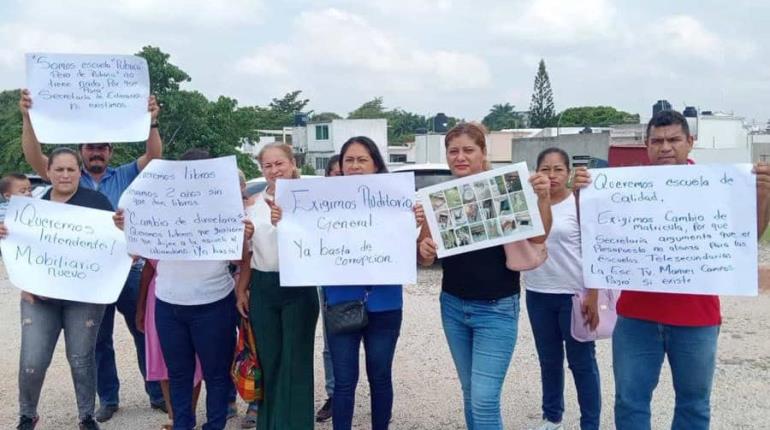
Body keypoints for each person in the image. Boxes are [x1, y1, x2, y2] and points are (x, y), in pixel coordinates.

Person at [570, 110, 770, 430]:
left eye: (674, 139)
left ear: (690, 142)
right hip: (636, 317)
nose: (665, 147)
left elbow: (744, 245)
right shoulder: (625, 188)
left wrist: (762, 195)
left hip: (697, 318)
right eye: (657, 141)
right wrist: (583, 197)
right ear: (646, 145)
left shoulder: (717, 186)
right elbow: (597, 238)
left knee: (694, 405)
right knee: (630, 402)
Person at [19, 89, 165, 421]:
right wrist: (27, 116)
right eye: (90, 147)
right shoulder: (66, 174)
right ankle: (108, 399)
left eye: (101, 147)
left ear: (110, 151)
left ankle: (156, 392)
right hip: (86, 277)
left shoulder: (127, 173)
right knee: (98, 338)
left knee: (143, 328)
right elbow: (33, 154)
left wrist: (152, 121)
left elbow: (154, 155)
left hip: (127, 269)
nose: (96, 152)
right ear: (81, 152)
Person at [417, 122, 552, 429]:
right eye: (453, 151)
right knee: (470, 393)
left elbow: (540, 237)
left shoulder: (506, 188)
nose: (460, 157)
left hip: (497, 308)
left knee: (484, 399)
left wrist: (543, 199)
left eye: (468, 150)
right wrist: (424, 249)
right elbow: (425, 257)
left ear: (483, 153)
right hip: (452, 305)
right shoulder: (439, 198)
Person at [114, 148, 252, 430]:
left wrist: (242, 243)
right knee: (179, 374)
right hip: (168, 303)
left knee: (216, 375)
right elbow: (139, 253)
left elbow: (242, 259)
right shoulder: (161, 205)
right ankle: (182, 425)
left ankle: (215, 425)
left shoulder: (226, 209)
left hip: (213, 302)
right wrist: (126, 227)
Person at [2, 148, 113, 430]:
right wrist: (5, 233)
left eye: (71, 170)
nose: (65, 175)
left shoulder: (97, 202)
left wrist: (124, 231)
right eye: (59, 170)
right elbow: (17, 246)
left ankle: (86, 417)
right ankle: (27, 414)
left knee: (81, 358)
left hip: (84, 297)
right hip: (39, 297)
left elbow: (114, 245)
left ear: (80, 172)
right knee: (33, 359)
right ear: (48, 172)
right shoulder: (29, 204)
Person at [236, 143, 319, 430]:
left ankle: (296, 424)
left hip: (298, 286)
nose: (274, 170)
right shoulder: (253, 204)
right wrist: (240, 290)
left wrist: (290, 221)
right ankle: (269, 424)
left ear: (293, 163)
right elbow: (248, 255)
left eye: (279, 164)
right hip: (263, 286)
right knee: (269, 361)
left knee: (295, 362)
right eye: (268, 166)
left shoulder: (312, 199)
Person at [522, 148, 601, 430]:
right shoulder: (528, 204)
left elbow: (595, 250)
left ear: (568, 173)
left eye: (558, 169)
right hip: (538, 292)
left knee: (582, 363)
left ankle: (590, 423)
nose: (551, 175)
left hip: (573, 294)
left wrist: (593, 293)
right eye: (545, 169)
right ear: (535, 172)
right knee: (549, 360)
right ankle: (552, 417)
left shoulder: (580, 203)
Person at [135, 259, 203, 430]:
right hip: (159, 295)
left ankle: (189, 414)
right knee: (162, 357)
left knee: (194, 359)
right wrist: (141, 307)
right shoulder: (155, 232)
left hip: (196, 292)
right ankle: (174, 416)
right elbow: (148, 268)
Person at [317, 153, 341, 423]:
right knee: (331, 343)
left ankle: (381, 395)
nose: (340, 178)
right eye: (335, 174)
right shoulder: (318, 205)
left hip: (370, 280)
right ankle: (334, 395)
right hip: (330, 283)